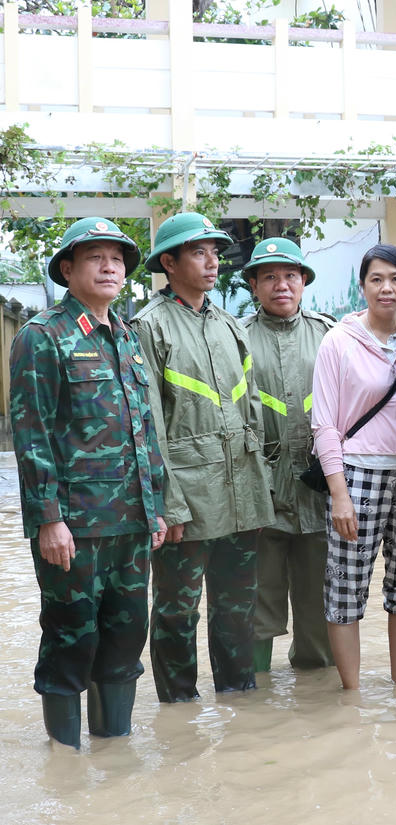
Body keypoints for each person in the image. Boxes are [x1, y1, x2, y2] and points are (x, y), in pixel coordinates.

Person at [9, 218, 167, 748]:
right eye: (95, 257)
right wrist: (49, 520)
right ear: (68, 269)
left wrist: (156, 508)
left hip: (131, 524)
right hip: (74, 528)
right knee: (71, 638)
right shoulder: (43, 336)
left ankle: (113, 758)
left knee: (125, 640)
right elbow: (31, 438)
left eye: (117, 259)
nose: (109, 267)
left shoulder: (126, 335)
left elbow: (142, 430)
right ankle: (65, 761)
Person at [132, 212, 275, 702]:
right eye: (199, 252)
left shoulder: (228, 324)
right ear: (168, 263)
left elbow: (250, 407)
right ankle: (179, 709)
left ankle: (239, 699)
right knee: (177, 608)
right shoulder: (149, 327)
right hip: (187, 500)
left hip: (241, 493)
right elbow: (146, 423)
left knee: (238, 607)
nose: (214, 261)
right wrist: (165, 504)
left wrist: (260, 488)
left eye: (216, 251)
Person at [310, 244, 396, 690]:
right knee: (346, 589)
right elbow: (324, 425)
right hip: (356, 475)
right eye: (377, 279)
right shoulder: (338, 341)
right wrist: (339, 493)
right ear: (362, 286)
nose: (386, 288)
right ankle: (353, 697)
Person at [240, 238, 336, 671]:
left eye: (290, 276)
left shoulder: (330, 334)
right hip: (260, 491)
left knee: (320, 608)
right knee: (257, 603)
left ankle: (317, 707)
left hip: (319, 489)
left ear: (303, 283)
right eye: (270, 277)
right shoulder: (235, 337)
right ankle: (252, 693)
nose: (282, 285)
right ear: (254, 286)